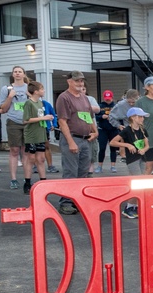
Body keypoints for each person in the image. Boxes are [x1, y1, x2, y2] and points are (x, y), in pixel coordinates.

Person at [55, 71, 98, 215]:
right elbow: (62, 121)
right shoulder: (64, 98)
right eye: (77, 81)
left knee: (83, 172)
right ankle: (66, 202)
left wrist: (95, 131)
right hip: (73, 138)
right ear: (69, 81)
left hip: (86, 139)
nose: (80, 84)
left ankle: (78, 200)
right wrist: (71, 142)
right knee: (70, 171)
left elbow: (89, 117)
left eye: (81, 81)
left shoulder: (85, 98)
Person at [109, 107, 149, 218]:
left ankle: (135, 205)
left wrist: (144, 150)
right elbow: (113, 142)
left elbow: (147, 145)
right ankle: (129, 206)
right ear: (132, 117)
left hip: (142, 157)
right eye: (140, 116)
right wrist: (127, 145)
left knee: (141, 182)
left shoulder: (142, 130)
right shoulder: (126, 130)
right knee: (138, 183)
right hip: (132, 159)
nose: (142, 119)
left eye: (142, 117)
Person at [0, 66, 30, 189]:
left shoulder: (29, 87)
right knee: (14, 151)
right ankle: (13, 179)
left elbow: (38, 103)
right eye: (15, 72)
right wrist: (10, 97)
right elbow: (3, 108)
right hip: (13, 121)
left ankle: (26, 179)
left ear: (23, 74)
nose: (17, 74)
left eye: (20, 72)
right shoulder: (6, 89)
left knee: (26, 151)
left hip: (28, 122)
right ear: (12, 74)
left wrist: (29, 95)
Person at [20, 81, 51, 194]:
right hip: (31, 134)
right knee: (31, 159)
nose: (44, 91)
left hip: (40, 133)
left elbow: (41, 116)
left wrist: (47, 119)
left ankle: (43, 181)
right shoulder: (29, 103)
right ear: (36, 91)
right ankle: (27, 183)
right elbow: (26, 120)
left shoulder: (40, 103)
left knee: (41, 159)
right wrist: (44, 118)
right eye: (42, 89)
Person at [96, 90, 119, 173]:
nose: (108, 100)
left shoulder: (116, 106)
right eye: (106, 99)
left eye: (109, 99)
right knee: (102, 148)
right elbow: (95, 116)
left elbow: (120, 116)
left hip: (113, 129)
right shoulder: (100, 106)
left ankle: (113, 166)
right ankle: (99, 166)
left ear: (112, 98)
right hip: (103, 129)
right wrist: (102, 116)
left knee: (113, 148)